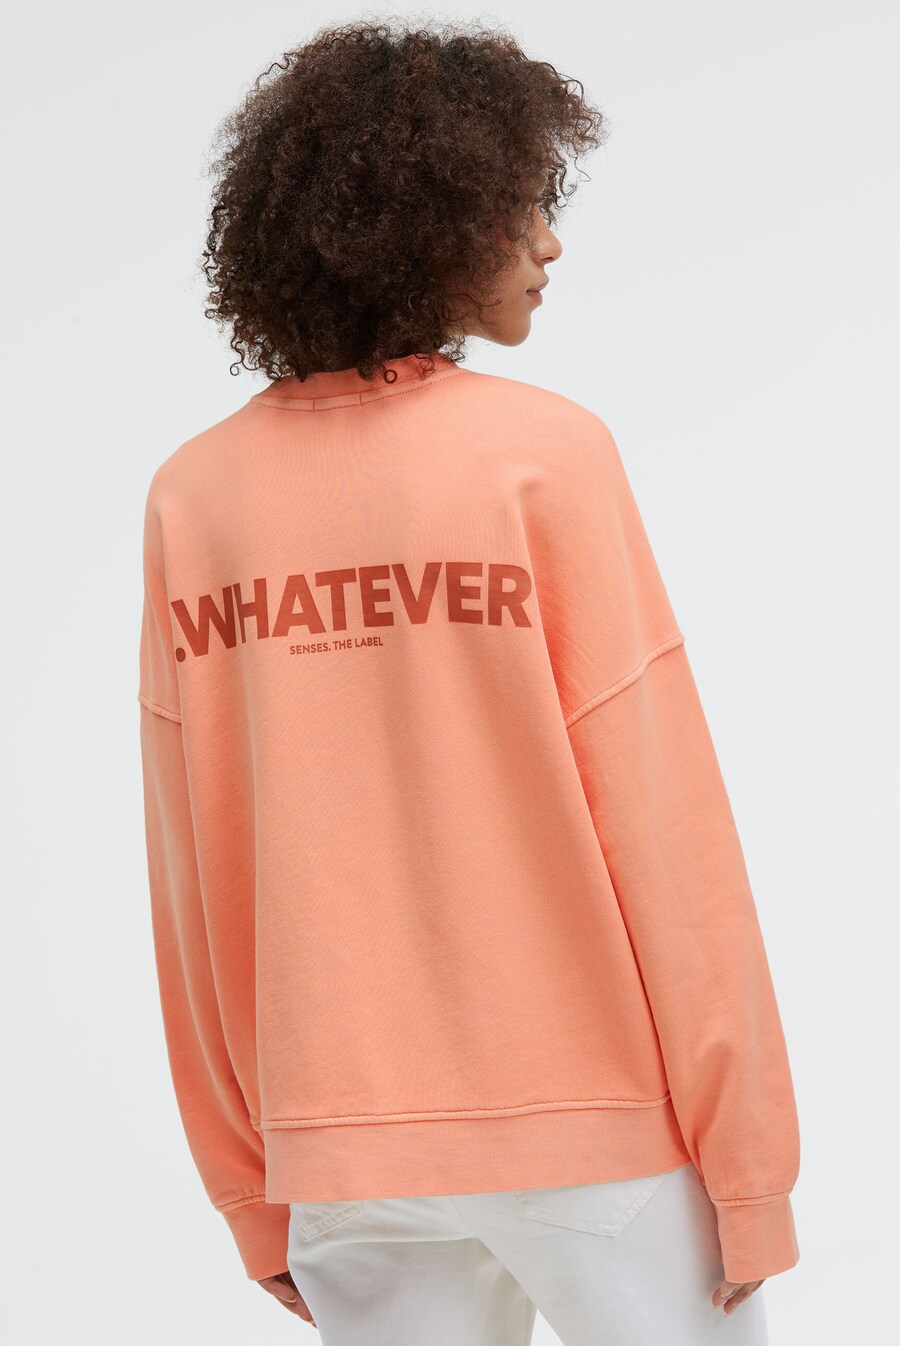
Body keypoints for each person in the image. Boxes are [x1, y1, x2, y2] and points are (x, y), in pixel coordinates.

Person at [137, 18, 800, 1345]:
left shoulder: (194, 496)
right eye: (520, 206)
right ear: (424, 220)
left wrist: (250, 1189)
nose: (548, 243)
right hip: (593, 1138)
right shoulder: (542, 457)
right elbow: (663, 824)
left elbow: (191, 872)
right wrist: (751, 1169)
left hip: (341, 1156)